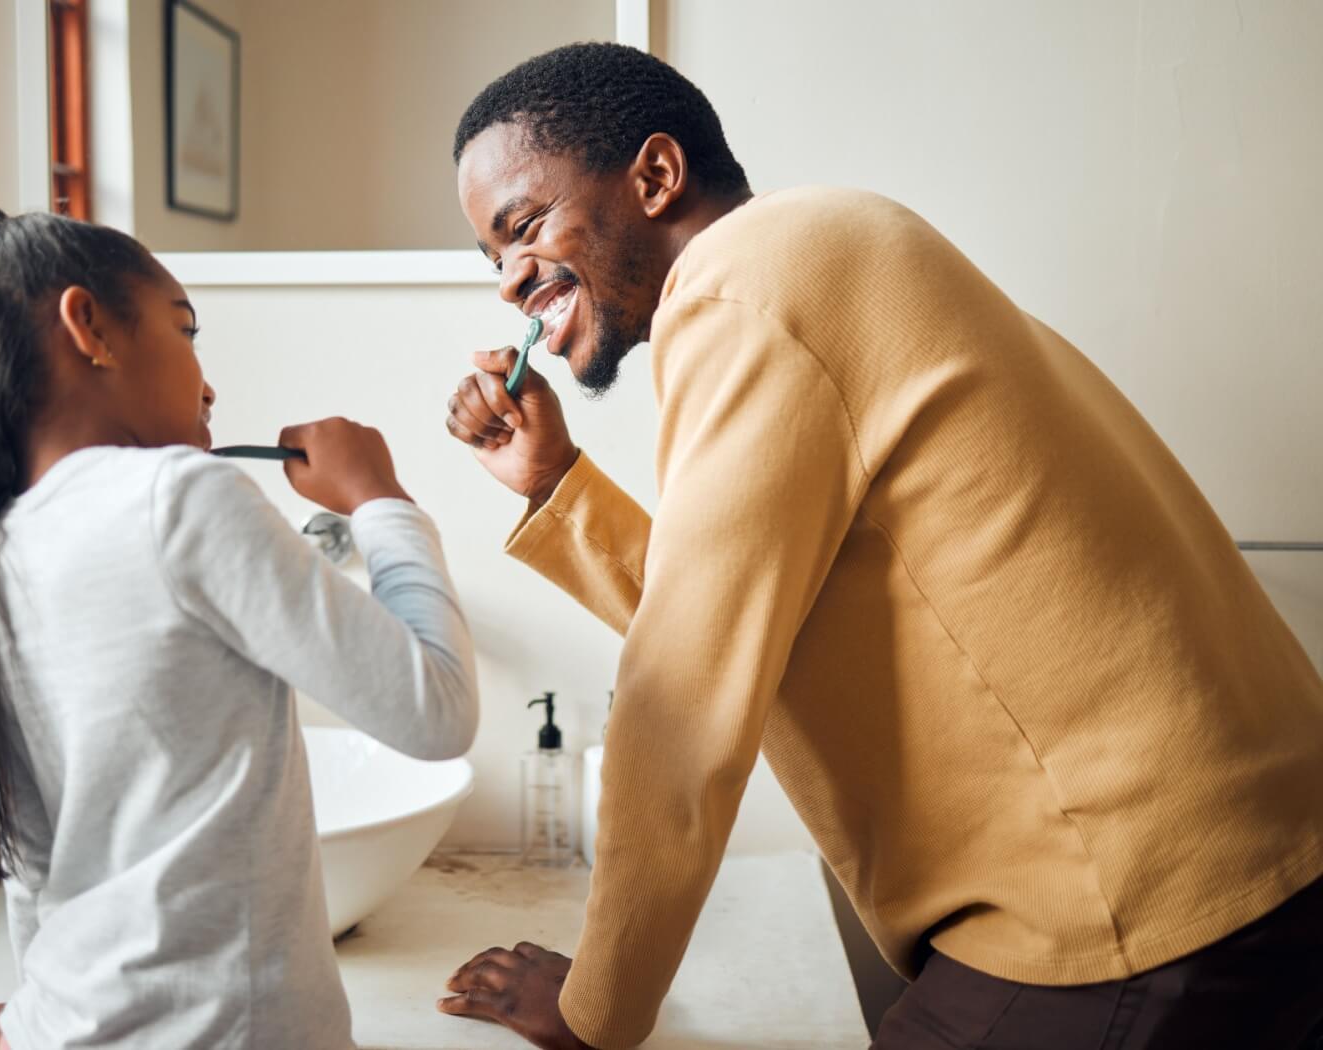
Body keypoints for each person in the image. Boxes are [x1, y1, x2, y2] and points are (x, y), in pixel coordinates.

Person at [438, 42, 1323, 1050]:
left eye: (522, 227)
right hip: (1242, 862)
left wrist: (595, 1010)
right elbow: (745, 622)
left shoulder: (740, 288)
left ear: (654, 176)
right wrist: (554, 485)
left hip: (1127, 909)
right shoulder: (817, 250)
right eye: (490, 258)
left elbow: (683, 698)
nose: (509, 284)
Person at [0, 201, 479, 1049]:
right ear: (89, 326)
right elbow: (437, 712)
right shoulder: (178, 498)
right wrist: (380, 500)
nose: (207, 382)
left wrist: (33, 1013)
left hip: (68, 1024)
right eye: (184, 329)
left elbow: (37, 858)